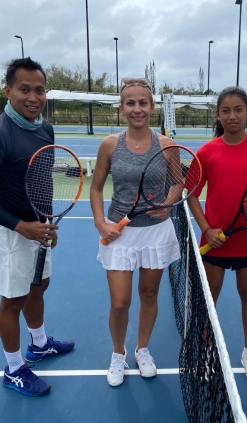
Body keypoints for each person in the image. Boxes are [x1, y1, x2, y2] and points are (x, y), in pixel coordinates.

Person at [0, 58, 74, 397]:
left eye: (39, 90)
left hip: (38, 228)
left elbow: (41, 181)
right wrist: (20, 226)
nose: (33, 97)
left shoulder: (45, 129)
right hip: (10, 235)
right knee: (13, 301)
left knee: (39, 285)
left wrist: (46, 221)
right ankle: (13, 369)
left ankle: (39, 344)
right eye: (24, 89)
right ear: (8, 91)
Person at [90, 77, 180, 387]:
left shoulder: (166, 145)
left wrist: (168, 203)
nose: (137, 108)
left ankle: (142, 349)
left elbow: (178, 183)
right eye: (131, 103)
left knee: (149, 294)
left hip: (156, 232)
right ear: (122, 108)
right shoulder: (109, 145)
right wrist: (100, 222)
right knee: (119, 303)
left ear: (152, 107)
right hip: (119, 233)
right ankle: (119, 353)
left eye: (143, 103)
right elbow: (96, 187)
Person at [187, 86, 247, 385]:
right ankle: (205, 350)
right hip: (214, 241)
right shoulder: (206, 152)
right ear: (218, 115)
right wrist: (207, 229)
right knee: (209, 300)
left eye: (238, 109)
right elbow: (191, 195)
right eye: (225, 110)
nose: (232, 116)